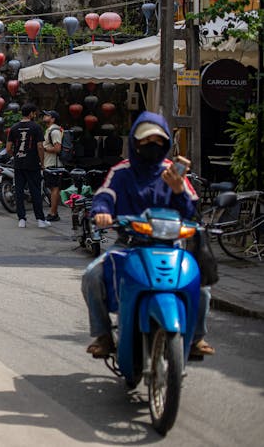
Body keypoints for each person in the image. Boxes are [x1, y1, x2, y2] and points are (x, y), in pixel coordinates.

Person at [81, 111, 211, 359]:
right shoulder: (121, 171)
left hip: (171, 245)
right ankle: (103, 335)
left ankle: (196, 338)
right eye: (146, 140)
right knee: (92, 277)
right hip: (129, 244)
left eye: (158, 140)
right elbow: (105, 196)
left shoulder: (174, 173)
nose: (153, 145)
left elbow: (192, 211)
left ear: (167, 143)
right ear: (135, 142)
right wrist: (101, 212)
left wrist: (178, 190)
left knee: (201, 285)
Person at [6, 104, 50, 228]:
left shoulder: (14, 128)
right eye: (34, 113)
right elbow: (40, 146)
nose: (35, 115)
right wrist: (42, 162)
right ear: (31, 114)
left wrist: (14, 156)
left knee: (19, 191)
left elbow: (8, 148)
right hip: (33, 164)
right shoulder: (36, 127)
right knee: (35, 191)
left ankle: (22, 220)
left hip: (19, 164)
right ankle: (40, 220)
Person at [41, 110, 64, 221]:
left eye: (47, 115)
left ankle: (53, 213)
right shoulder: (50, 130)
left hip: (54, 165)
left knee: (55, 189)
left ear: (53, 119)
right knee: (53, 188)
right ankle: (53, 212)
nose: (44, 116)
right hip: (49, 163)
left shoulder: (54, 131)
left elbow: (57, 148)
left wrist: (43, 148)